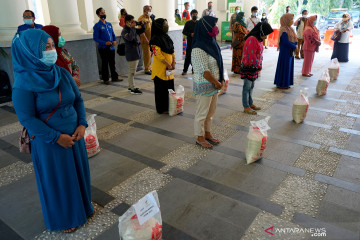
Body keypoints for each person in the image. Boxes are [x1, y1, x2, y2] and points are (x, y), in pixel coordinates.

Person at [11, 29, 93, 233]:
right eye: (45, 47)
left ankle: (82, 208)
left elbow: (77, 100)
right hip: (50, 142)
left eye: (52, 45)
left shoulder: (61, 73)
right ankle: (64, 219)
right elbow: (27, 118)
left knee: (78, 173)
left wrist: (82, 124)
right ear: (30, 52)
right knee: (59, 181)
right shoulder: (23, 84)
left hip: (75, 135)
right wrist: (57, 137)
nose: (52, 50)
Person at [192, 16, 224, 149]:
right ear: (205, 28)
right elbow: (204, 71)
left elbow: (218, 62)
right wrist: (216, 82)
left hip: (215, 84)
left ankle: (207, 133)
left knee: (210, 113)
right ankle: (199, 136)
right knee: (202, 113)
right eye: (213, 26)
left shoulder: (211, 42)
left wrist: (220, 79)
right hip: (205, 84)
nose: (215, 28)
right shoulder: (198, 48)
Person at [241, 22, 274, 114]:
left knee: (251, 86)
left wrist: (259, 65)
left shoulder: (258, 39)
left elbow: (259, 54)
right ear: (261, 32)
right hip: (249, 66)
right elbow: (250, 55)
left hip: (254, 66)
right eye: (265, 34)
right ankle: (246, 106)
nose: (266, 37)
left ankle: (250, 103)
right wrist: (257, 65)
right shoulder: (252, 39)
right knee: (247, 87)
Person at [149, 18, 176, 114]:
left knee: (169, 88)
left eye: (167, 24)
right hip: (160, 70)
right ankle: (162, 109)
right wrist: (168, 64)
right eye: (164, 24)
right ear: (159, 26)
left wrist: (173, 62)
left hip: (169, 70)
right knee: (161, 90)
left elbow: (172, 50)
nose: (166, 26)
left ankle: (170, 106)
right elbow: (157, 54)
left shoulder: (167, 37)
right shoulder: (154, 40)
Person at [93, 7, 119, 85]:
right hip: (103, 48)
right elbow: (96, 38)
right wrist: (104, 43)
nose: (104, 14)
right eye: (102, 13)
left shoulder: (109, 24)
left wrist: (114, 40)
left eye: (104, 12)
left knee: (112, 62)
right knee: (105, 63)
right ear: (98, 15)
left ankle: (114, 77)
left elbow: (113, 34)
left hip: (111, 47)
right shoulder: (97, 26)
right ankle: (106, 79)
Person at [121, 15, 145, 94]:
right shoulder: (124, 31)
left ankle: (131, 86)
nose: (134, 23)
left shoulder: (133, 28)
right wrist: (132, 28)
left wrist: (142, 25)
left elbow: (141, 31)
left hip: (136, 51)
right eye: (132, 21)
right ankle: (132, 88)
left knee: (133, 71)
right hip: (131, 53)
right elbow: (130, 38)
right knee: (132, 72)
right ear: (127, 22)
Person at [274, 13, 298, 89]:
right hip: (285, 51)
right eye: (290, 19)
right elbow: (285, 42)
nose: (292, 21)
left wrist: (296, 44)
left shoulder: (291, 29)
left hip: (290, 50)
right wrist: (294, 46)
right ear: (286, 20)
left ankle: (287, 83)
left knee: (289, 67)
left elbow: (295, 38)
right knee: (285, 67)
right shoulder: (283, 29)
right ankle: (282, 83)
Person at [182, 10, 198, 75]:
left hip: (197, 43)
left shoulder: (199, 23)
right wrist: (190, 34)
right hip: (190, 42)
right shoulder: (188, 23)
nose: (195, 15)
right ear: (191, 15)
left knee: (196, 57)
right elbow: (184, 32)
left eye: (196, 14)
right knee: (188, 56)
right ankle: (185, 70)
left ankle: (194, 70)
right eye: (194, 14)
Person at [138, 5, 153, 75]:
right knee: (147, 55)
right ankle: (147, 69)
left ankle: (149, 67)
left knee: (150, 54)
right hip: (145, 40)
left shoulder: (149, 18)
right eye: (149, 10)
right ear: (145, 10)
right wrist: (146, 40)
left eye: (150, 10)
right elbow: (141, 32)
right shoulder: (141, 19)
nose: (150, 11)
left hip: (150, 39)